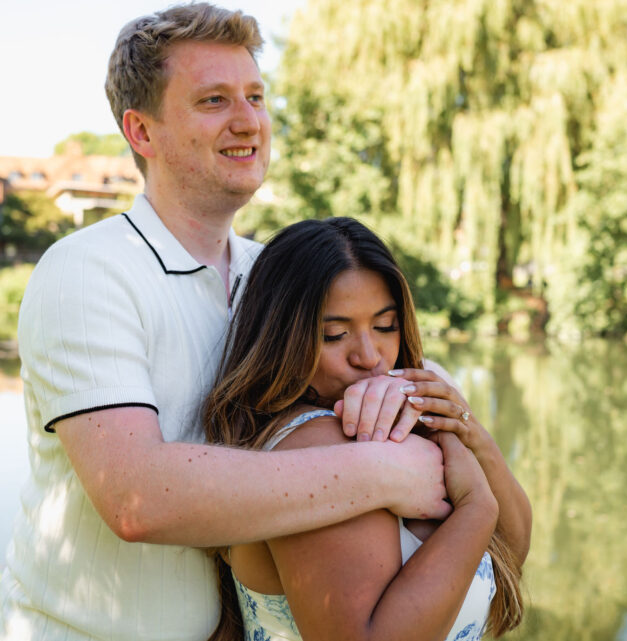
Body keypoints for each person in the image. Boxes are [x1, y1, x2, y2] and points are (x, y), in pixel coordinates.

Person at [0, 3, 471, 641]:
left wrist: (395, 391)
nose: (249, 122)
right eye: (214, 100)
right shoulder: (88, 272)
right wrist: (386, 472)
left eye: (256, 97)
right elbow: (139, 499)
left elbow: (330, 392)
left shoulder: (273, 276)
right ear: (141, 132)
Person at [203, 217, 531, 641]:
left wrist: (466, 433)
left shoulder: (398, 419)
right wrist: (476, 508)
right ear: (280, 338)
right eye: (334, 334)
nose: (369, 356)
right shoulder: (316, 446)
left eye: (384, 327)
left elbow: (512, 553)